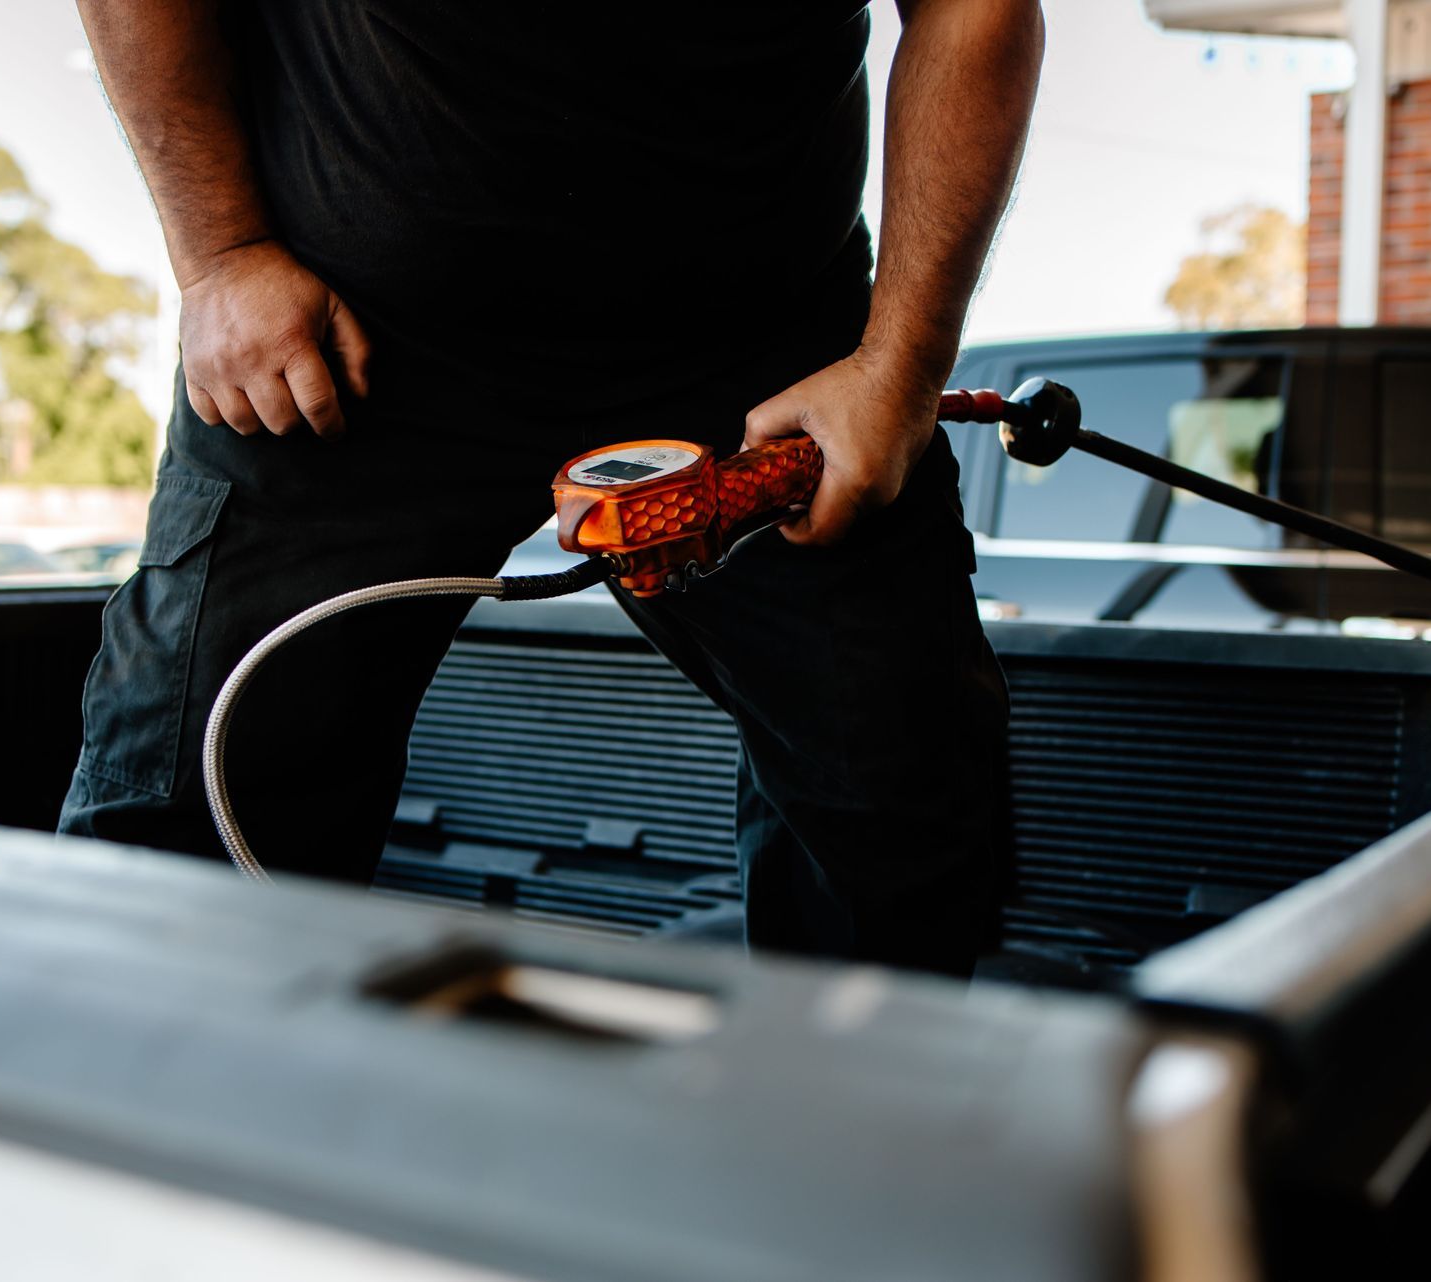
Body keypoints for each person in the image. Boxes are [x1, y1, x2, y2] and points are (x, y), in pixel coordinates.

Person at [61, 0, 1044, 978]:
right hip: (348, 340)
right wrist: (219, 254)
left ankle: (858, 1112)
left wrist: (902, 366)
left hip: (765, 349)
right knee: (187, 804)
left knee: (903, 794)